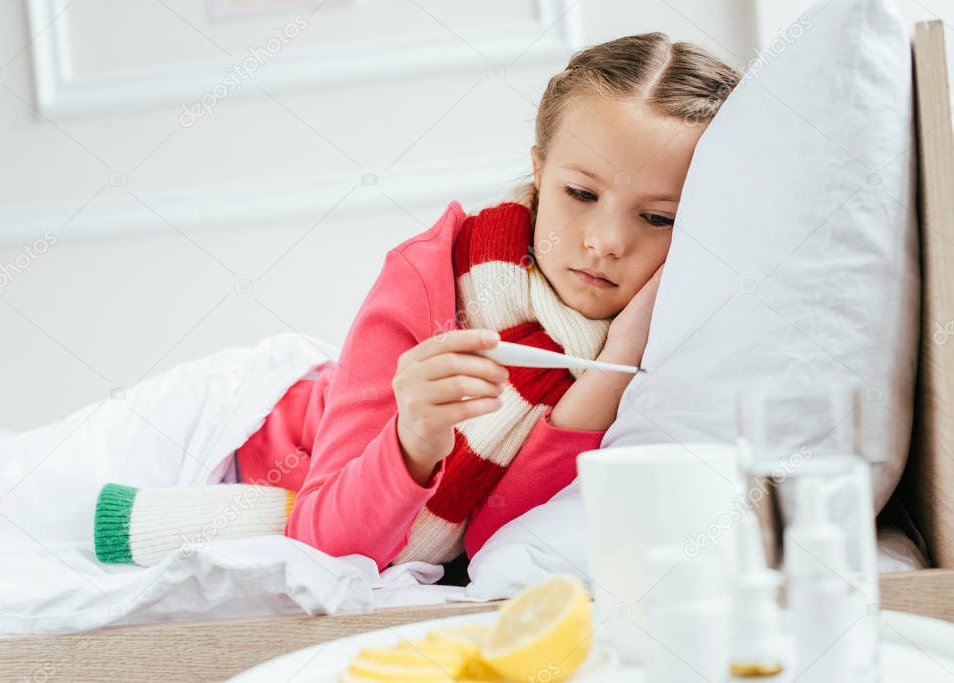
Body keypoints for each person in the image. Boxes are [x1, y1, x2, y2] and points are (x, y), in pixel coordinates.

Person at [95, 32, 741, 572]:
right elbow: (327, 545)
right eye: (579, 193)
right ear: (538, 169)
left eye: (657, 218)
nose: (604, 241)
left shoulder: (682, 329)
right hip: (257, 431)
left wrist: (612, 364)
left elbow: (496, 546)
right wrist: (412, 439)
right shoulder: (429, 275)